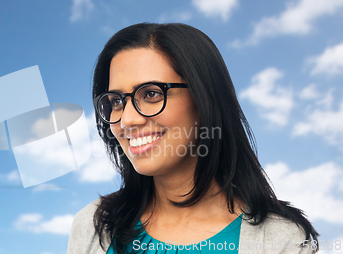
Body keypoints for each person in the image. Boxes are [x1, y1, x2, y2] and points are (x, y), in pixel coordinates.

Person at [67, 23, 319, 254]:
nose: (128, 120)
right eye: (116, 101)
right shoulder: (91, 225)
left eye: (152, 94)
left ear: (204, 99)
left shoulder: (284, 241)